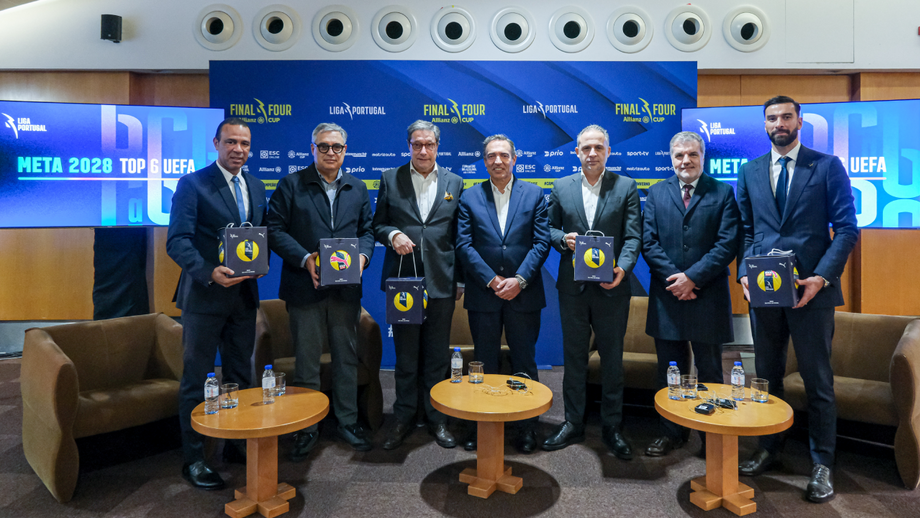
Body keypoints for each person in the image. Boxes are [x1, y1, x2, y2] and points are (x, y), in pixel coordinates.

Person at [737, 95, 858, 503]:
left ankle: (822, 463)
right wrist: (743, 274)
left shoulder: (826, 166)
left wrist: (821, 278)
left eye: (787, 116)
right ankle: (770, 447)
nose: (779, 123)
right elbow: (748, 231)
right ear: (765, 124)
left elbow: (845, 230)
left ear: (800, 122)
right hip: (765, 293)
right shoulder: (750, 171)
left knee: (817, 380)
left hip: (812, 294)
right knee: (767, 375)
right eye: (772, 118)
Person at [166, 117, 266, 490]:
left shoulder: (255, 185)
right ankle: (193, 459)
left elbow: (256, 237)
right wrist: (209, 271)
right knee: (197, 378)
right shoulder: (193, 184)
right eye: (231, 142)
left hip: (243, 298)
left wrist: (259, 263)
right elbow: (177, 241)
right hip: (205, 297)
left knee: (241, 376)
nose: (238, 149)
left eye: (244, 143)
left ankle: (236, 446)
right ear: (216, 143)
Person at [266, 122, 375, 456]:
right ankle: (306, 427)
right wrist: (304, 259)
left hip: (345, 291)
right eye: (324, 146)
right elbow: (274, 229)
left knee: (346, 359)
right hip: (305, 288)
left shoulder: (357, 187)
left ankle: (347, 421)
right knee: (307, 363)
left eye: (337, 147)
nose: (331, 152)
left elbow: (368, 231)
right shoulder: (291, 185)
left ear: (345, 151)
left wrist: (363, 259)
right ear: (312, 148)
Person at [541, 124, 641, 459]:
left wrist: (623, 267)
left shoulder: (625, 186)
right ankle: (573, 422)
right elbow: (549, 229)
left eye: (598, 147)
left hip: (612, 287)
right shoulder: (561, 186)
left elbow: (633, 238)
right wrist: (562, 240)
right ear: (577, 152)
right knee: (574, 357)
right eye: (586, 148)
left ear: (608, 151)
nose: (592, 153)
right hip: (573, 287)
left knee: (612, 359)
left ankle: (612, 426)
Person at [642, 131, 740, 456]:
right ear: (671, 158)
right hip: (668, 296)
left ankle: (712, 434)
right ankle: (672, 432)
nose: (685, 161)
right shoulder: (656, 193)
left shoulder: (723, 193)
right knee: (670, 368)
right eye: (679, 155)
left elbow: (727, 244)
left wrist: (693, 278)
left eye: (692, 155)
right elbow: (649, 242)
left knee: (710, 369)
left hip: (707, 295)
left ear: (702, 157)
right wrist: (677, 280)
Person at [373, 120, 465, 450]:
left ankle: (437, 417)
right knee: (406, 356)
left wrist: (463, 280)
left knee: (437, 356)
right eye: (416, 145)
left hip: (442, 282)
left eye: (429, 144)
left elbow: (460, 236)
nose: (423, 150)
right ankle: (403, 417)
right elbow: (377, 224)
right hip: (403, 282)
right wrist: (392, 234)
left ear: (438, 147)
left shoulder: (455, 181)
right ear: (408, 146)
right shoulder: (390, 179)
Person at [456, 134, 550, 453]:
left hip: (523, 295)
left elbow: (541, 243)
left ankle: (526, 428)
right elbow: (463, 246)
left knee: (525, 361)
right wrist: (493, 281)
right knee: (484, 362)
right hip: (484, 296)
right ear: (484, 161)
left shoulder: (536, 195)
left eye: (504, 155)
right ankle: (482, 427)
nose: (498, 161)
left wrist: (519, 279)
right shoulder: (469, 197)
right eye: (491, 156)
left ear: (514, 158)